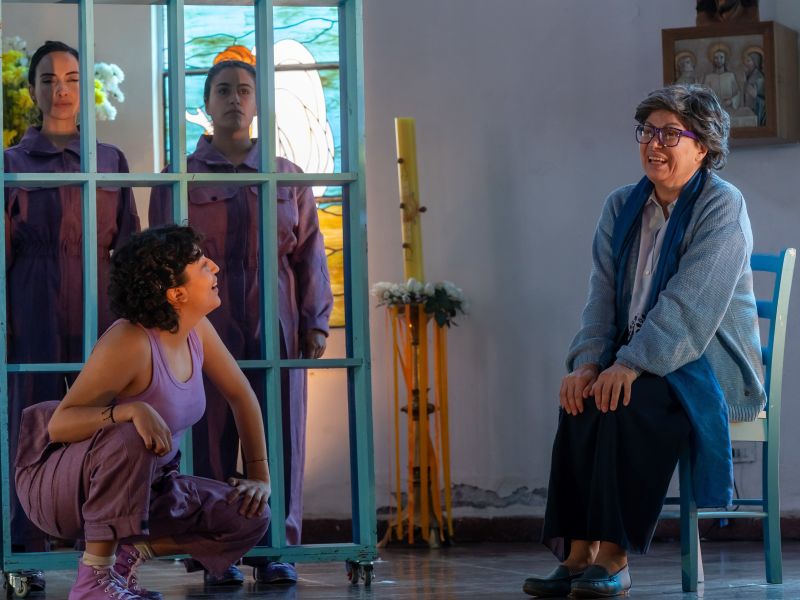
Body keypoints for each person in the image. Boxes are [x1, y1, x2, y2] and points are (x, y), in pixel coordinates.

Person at [522, 84, 765, 598]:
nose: (655, 144)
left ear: (703, 147)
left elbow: (690, 304)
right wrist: (589, 362)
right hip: (635, 356)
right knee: (581, 399)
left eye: (670, 134)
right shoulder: (621, 206)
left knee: (626, 400)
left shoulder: (722, 205)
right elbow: (601, 297)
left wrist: (631, 364)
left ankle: (615, 557)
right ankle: (578, 553)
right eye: (648, 132)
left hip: (706, 363)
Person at [149, 58, 333, 585]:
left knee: (280, 433)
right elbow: (158, 255)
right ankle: (216, 552)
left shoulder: (286, 175)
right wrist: (166, 325)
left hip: (276, 316)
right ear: (206, 103)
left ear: (258, 102)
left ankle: (276, 549)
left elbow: (309, 252)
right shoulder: (179, 176)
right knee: (208, 433)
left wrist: (315, 321)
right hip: (204, 319)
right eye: (224, 90)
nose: (235, 99)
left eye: (245, 90)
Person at [15, 225, 271, 600]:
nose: (215, 267)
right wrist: (131, 410)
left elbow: (241, 395)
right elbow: (59, 424)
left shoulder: (198, 330)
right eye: (202, 264)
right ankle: (92, 581)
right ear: (176, 293)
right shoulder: (130, 341)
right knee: (130, 433)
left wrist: (259, 477)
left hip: (149, 488)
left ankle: (125, 560)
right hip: (63, 491)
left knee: (250, 514)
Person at [4, 39, 139, 577]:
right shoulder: (11, 163)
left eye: (72, 78)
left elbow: (129, 245)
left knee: (104, 424)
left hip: (99, 302)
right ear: (32, 91)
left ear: (86, 88)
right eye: (49, 79)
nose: (61, 89)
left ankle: (101, 553)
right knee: (32, 424)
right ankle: (26, 552)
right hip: (30, 300)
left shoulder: (109, 160)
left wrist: (134, 324)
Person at [703, 45, 740, 112]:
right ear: (713, 59)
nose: (719, 60)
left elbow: (737, 93)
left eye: (721, 57)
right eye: (716, 58)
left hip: (729, 109)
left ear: (725, 59)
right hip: (714, 109)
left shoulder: (730, 75)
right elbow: (705, 94)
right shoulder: (708, 77)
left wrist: (731, 101)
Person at [743, 49, 766, 126]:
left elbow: (764, 99)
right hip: (750, 110)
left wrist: (755, 95)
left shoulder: (759, 78)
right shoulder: (751, 75)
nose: (746, 63)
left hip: (757, 111)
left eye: (749, 61)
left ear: (755, 62)